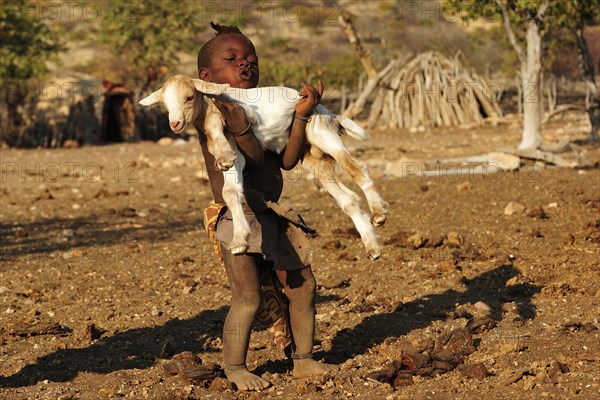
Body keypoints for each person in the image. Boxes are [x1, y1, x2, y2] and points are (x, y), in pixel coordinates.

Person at [195, 23, 334, 391]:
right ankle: (235, 367)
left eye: (251, 60)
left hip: (272, 213)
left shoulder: (264, 111)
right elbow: (253, 160)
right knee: (248, 296)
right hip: (239, 218)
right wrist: (240, 128)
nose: (246, 64)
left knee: (303, 286)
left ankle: (303, 359)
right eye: (233, 59)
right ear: (206, 76)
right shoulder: (212, 114)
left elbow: (285, 161)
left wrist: (301, 115)